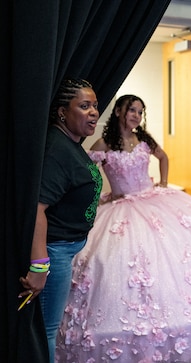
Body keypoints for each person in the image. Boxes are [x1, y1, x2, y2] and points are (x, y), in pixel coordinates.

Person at [55, 95, 191, 362]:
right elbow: (86, 172)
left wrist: (164, 183)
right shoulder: (104, 144)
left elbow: (163, 157)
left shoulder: (144, 140)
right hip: (121, 206)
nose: (136, 115)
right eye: (132, 110)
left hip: (152, 200)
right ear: (119, 110)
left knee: (176, 259)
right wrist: (99, 195)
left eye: (140, 112)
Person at [18, 78, 103, 362]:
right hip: (54, 251)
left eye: (95, 106)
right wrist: (40, 266)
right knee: (47, 330)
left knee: (49, 328)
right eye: (84, 106)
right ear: (62, 112)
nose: (93, 112)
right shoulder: (57, 149)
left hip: (66, 248)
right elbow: (37, 209)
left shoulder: (71, 143)